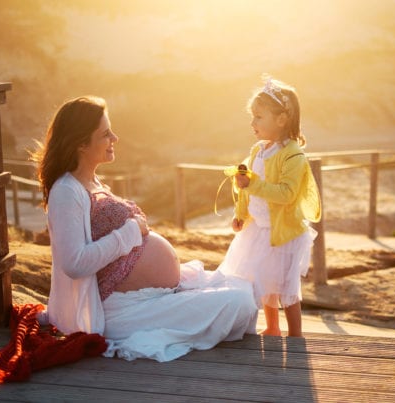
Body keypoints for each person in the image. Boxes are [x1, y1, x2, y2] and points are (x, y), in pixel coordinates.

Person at [33, 95, 257, 362]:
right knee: (239, 303)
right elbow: (74, 263)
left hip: (147, 297)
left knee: (243, 288)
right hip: (122, 310)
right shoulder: (66, 191)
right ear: (81, 143)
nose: (114, 138)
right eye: (105, 134)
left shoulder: (92, 181)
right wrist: (128, 233)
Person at [218, 77, 321, 337]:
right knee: (264, 280)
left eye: (258, 117)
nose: (252, 124)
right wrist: (240, 214)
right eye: (252, 117)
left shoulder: (293, 156)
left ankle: (295, 333)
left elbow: (286, 194)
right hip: (258, 230)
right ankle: (273, 326)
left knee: (286, 285)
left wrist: (251, 184)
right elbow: (246, 192)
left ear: (281, 120)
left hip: (282, 232)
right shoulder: (258, 151)